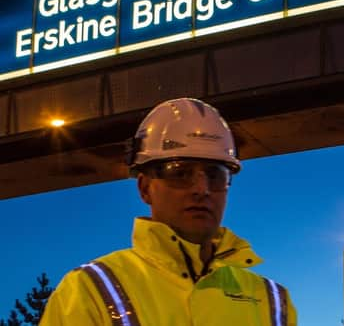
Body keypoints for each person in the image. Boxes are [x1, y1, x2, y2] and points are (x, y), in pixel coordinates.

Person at [40, 97, 297, 326]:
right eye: (180, 173)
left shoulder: (272, 302)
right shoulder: (88, 292)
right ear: (144, 188)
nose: (201, 189)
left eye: (215, 175)